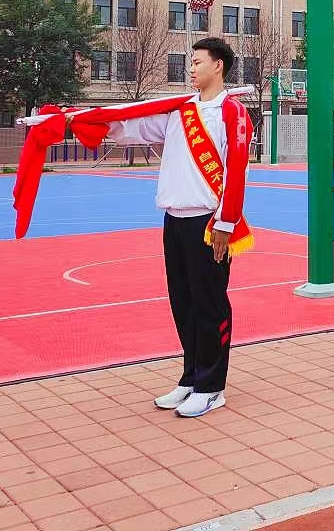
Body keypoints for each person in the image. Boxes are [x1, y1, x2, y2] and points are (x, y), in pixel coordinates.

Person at [105, 37, 254, 417]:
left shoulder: (232, 113)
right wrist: (86, 122)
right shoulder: (179, 110)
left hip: (209, 224)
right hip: (174, 220)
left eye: (196, 62)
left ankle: (211, 385)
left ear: (217, 66)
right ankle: (190, 377)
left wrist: (225, 223)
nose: (190, 68)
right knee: (183, 303)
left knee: (210, 305)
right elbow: (132, 131)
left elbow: (236, 172)